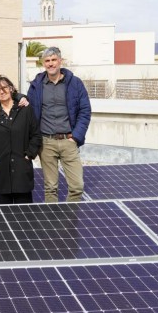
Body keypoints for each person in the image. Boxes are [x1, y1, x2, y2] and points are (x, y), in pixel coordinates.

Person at [27, 46, 91, 202]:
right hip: (46, 142)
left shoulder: (75, 83)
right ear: (43, 63)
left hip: (69, 140)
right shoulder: (36, 85)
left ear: (60, 61)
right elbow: (29, 110)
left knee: (77, 187)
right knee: (50, 188)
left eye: (53, 60)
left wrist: (75, 137)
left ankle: (69, 220)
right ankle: (54, 224)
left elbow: (85, 111)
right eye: (47, 61)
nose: (50, 64)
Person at [0, 75, 42, 204]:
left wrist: (29, 155)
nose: (2, 91)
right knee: (1, 217)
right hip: (0, 171)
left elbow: (36, 135)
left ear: (11, 88)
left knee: (24, 216)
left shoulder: (25, 110)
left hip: (21, 170)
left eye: (4, 87)